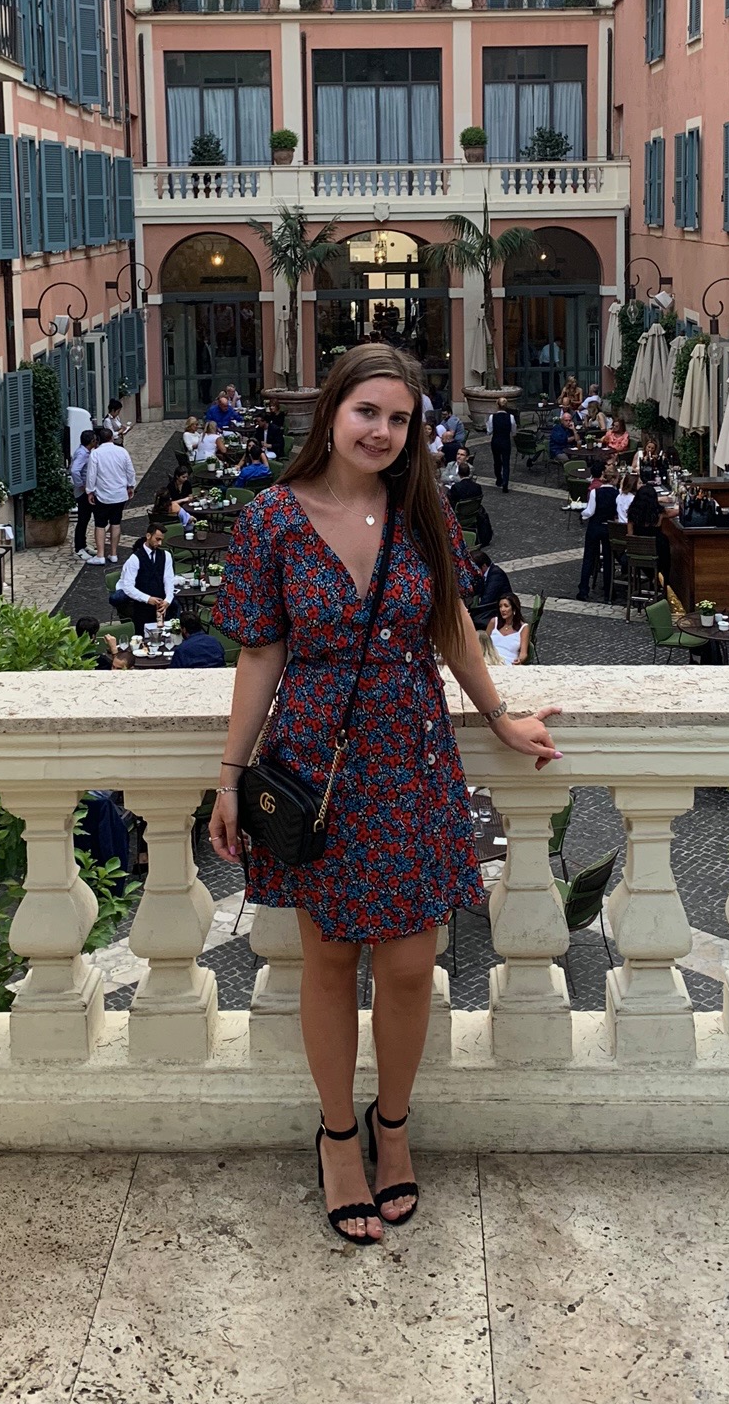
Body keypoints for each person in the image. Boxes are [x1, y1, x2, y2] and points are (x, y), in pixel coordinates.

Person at [208, 344, 559, 1248]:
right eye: (368, 411)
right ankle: (337, 1138)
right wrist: (231, 776)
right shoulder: (272, 519)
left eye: (399, 418)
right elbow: (260, 653)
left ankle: (391, 1125)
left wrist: (501, 716)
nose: (382, 431)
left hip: (410, 755)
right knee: (328, 962)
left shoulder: (419, 510)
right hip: (316, 763)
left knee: (408, 965)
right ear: (331, 411)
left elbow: (452, 624)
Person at [109, 523, 176, 632]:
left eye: (161, 540)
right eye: (157, 539)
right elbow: (128, 587)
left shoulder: (166, 556)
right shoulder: (134, 559)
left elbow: (168, 579)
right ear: (148, 536)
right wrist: (148, 599)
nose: (160, 543)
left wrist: (168, 600)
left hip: (161, 604)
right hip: (141, 606)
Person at [86, 427, 137, 565]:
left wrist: (90, 491)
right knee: (116, 523)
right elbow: (130, 471)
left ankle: (100, 555)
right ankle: (113, 553)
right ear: (111, 438)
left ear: (98, 440)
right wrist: (130, 485)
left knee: (100, 524)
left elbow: (91, 474)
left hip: (102, 494)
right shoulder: (122, 451)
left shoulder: (96, 454)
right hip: (119, 494)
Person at [577, 462, 620, 601]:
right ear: (614, 479)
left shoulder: (595, 492)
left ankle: (583, 590)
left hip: (595, 526)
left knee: (588, 557)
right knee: (608, 559)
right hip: (609, 527)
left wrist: (582, 514)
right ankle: (608, 591)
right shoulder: (617, 494)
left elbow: (590, 511)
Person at [70, 427, 101, 560]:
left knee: (86, 518)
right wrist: (81, 485)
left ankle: (83, 544)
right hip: (83, 492)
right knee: (83, 519)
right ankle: (79, 548)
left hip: (85, 490)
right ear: (91, 441)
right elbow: (75, 470)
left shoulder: (84, 452)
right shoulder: (82, 454)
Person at [447, 460, 491, 547]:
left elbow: (451, 503)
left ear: (458, 473)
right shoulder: (477, 487)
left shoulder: (456, 487)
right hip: (473, 515)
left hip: (459, 516)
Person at [485, 592, 530, 666]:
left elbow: (523, 653)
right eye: (500, 606)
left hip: (509, 664)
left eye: (506, 606)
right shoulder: (494, 622)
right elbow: (484, 644)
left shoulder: (524, 628)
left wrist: (520, 659)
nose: (502, 609)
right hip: (491, 661)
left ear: (514, 608)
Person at [470, 549, 512, 621]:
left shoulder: (496, 575)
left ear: (484, 566)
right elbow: (478, 590)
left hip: (499, 610)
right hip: (494, 607)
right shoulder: (485, 574)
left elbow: (487, 599)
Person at [486, 401, 515, 493]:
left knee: (497, 461)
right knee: (506, 462)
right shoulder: (511, 417)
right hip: (506, 441)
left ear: (497, 406)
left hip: (496, 441)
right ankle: (505, 483)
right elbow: (514, 431)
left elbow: (489, 431)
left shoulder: (492, 417)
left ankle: (499, 479)